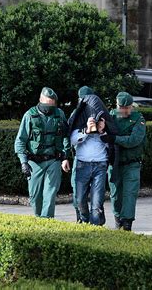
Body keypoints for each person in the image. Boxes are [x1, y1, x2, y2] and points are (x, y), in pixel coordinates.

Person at [14, 87, 71, 218]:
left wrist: (65, 157)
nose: (49, 107)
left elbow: (65, 136)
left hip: (53, 160)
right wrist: (23, 162)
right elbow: (20, 141)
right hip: (34, 161)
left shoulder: (59, 114)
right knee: (35, 195)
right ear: (40, 100)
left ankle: (47, 221)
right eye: (46, 104)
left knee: (50, 193)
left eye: (52, 105)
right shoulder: (29, 115)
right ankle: (39, 219)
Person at [100, 92, 147, 231]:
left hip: (132, 163)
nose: (125, 111)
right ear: (117, 105)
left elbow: (134, 140)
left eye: (128, 107)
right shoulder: (110, 117)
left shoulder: (138, 119)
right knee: (115, 195)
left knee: (130, 194)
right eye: (122, 107)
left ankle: (127, 224)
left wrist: (115, 139)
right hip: (114, 163)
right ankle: (118, 220)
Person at [69, 87, 112, 225]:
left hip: (100, 164)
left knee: (96, 203)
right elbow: (72, 140)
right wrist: (87, 131)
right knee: (80, 200)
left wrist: (102, 131)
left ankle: (96, 227)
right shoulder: (76, 116)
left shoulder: (103, 116)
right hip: (82, 164)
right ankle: (84, 221)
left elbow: (112, 142)